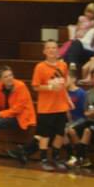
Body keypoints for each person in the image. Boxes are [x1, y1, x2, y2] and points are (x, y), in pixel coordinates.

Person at [31, 40, 70, 171]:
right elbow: (35, 87)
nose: (52, 50)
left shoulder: (63, 66)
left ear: (58, 50)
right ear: (44, 51)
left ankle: (56, 157)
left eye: (54, 48)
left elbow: (65, 84)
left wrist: (68, 102)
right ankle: (43, 159)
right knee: (44, 134)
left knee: (60, 133)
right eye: (49, 48)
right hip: (46, 107)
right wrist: (49, 87)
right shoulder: (40, 67)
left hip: (61, 106)